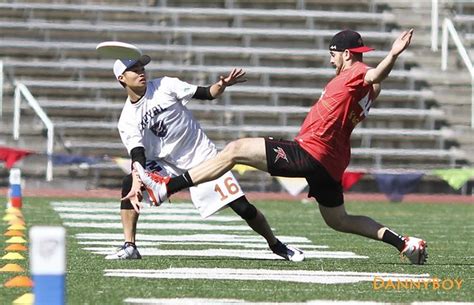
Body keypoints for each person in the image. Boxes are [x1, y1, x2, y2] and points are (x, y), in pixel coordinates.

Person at [132, 29, 429, 265]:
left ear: (347, 54)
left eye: (333, 54)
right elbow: (375, 84)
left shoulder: (355, 74)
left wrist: (392, 55)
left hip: (311, 151)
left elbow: (375, 75)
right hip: (331, 164)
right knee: (339, 220)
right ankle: (405, 243)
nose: (330, 60)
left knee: (235, 149)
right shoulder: (364, 90)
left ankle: (168, 187)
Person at [106, 53, 304, 261]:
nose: (141, 73)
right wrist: (138, 181)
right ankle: (130, 246)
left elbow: (207, 93)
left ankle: (276, 245)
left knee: (243, 208)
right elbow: (138, 153)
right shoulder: (127, 119)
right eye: (134, 70)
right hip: (167, 164)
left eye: (142, 68)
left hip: (204, 157)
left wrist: (221, 85)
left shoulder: (165, 85)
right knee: (129, 182)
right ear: (121, 78)